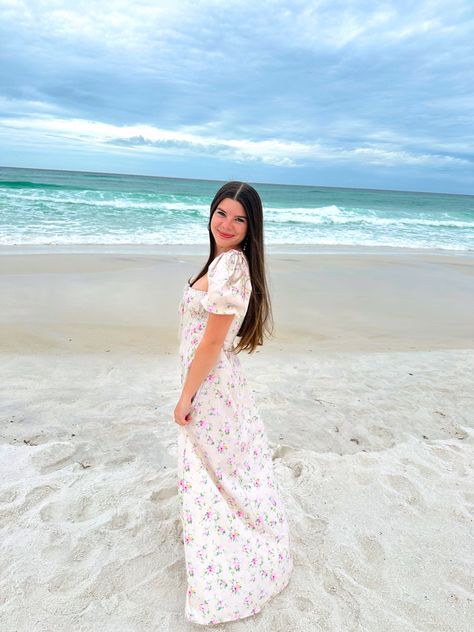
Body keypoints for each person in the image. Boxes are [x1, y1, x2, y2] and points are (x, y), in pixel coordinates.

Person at [174, 181, 293, 625]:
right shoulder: (223, 263)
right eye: (221, 213)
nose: (226, 224)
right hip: (215, 383)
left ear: (251, 227)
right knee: (224, 473)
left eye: (239, 218)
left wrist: (186, 395)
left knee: (216, 474)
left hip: (210, 387)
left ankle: (236, 561)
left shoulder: (229, 268)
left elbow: (210, 343)